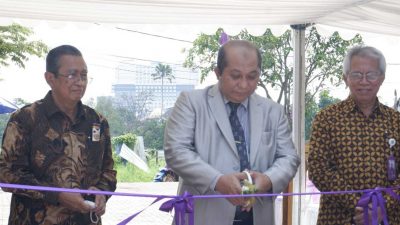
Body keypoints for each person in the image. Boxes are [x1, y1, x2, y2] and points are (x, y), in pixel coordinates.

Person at [164, 40, 300, 225]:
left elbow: (289, 157)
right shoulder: (192, 103)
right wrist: (217, 181)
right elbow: (176, 151)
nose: (244, 84)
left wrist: (267, 179)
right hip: (204, 217)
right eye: (235, 76)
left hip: (257, 216)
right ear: (218, 73)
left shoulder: (273, 111)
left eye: (252, 77)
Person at [0, 45, 117, 225]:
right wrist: (57, 195)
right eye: (72, 75)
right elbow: (6, 174)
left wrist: (101, 191)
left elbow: (108, 170)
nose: (80, 82)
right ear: (50, 78)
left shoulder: (97, 122)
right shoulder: (26, 119)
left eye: (84, 75)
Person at [308, 46, 400, 225]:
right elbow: (318, 168)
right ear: (345, 78)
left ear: (381, 78)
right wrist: (360, 205)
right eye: (357, 74)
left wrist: (383, 206)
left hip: (388, 216)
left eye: (371, 74)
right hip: (338, 217)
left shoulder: (396, 120)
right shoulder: (327, 118)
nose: (364, 81)